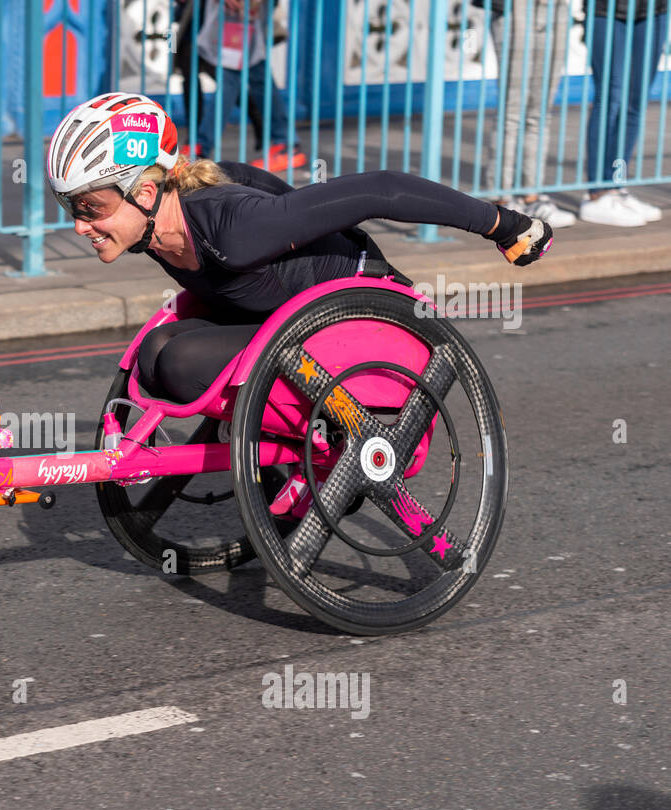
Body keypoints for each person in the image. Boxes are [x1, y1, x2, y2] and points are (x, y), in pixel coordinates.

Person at [46, 92, 551, 516]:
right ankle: (295, 450)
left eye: (92, 208)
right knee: (156, 350)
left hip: (370, 330)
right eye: (71, 207)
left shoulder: (234, 228)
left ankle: (325, 450)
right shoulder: (163, 228)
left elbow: (381, 190)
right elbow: (266, 188)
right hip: (294, 331)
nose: (79, 225)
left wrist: (504, 226)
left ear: (148, 192)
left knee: (181, 362)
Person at [479, 0, 576, 227]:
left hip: (556, 7)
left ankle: (531, 195)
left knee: (540, 112)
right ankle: (502, 195)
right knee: (512, 110)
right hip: (517, 8)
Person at [578, 0, 669, 226]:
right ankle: (598, 192)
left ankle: (616, 186)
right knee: (611, 96)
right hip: (605, 10)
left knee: (635, 102)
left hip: (653, 10)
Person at [192, 0, 305, 171]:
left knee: (238, 75)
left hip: (245, 13)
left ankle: (201, 146)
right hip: (238, 15)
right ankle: (286, 142)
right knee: (247, 75)